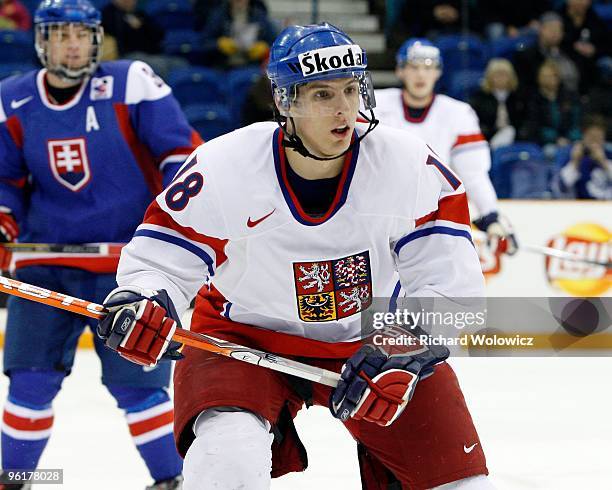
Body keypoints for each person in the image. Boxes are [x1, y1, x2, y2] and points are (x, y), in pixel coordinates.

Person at [96, 22, 495, 490]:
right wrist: (143, 298)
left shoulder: (410, 166)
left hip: (372, 343)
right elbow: (160, 260)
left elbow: (454, 292)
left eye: (351, 89)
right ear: (285, 102)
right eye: (323, 95)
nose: (344, 108)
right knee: (227, 463)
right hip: (243, 338)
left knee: (461, 485)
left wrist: (404, 343)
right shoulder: (224, 165)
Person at [0, 0, 204, 488]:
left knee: (138, 388)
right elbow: (5, 179)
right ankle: (13, 478)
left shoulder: (131, 82)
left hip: (132, 270)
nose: (73, 44)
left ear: (96, 38)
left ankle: (171, 480)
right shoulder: (12, 97)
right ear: (41, 41)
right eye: (61, 34)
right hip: (45, 265)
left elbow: (182, 154)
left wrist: (180, 222)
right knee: (29, 381)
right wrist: (3, 218)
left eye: (82, 34)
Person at [374, 38, 517, 257]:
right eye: (413, 67)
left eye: (428, 67)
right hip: (381, 215)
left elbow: (474, 174)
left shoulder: (458, 113)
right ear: (400, 71)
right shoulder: (375, 106)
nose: (421, 75)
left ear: (438, 72)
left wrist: (491, 216)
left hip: (431, 220)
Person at [512, 11, 580, 96]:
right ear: (540, 29)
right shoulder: (527, 56)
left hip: (575, 98)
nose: (555, 32)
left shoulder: (572, 52)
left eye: (558, 29)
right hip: (543, 102)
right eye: (550, 28)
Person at [519, 60, 581, 152]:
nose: (549, 79)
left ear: (558, 77)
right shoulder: (535, 99)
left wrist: (572, 138)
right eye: (545, 76)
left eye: (553, 75)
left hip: (570, 139)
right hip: (546, 142)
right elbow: (535, 125)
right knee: (551, 152)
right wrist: (556, 139)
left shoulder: (569, 96)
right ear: (539, 78)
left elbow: (576, 120)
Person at [200, 0, 277, 68]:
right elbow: (203, 43)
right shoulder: (218, 15)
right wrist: (218, 44)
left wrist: (265, 47)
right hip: (223, 67)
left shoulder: (259, 16)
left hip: (252, 67)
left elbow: (275, 43)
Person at [469, 58, 526, 149]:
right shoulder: (479, 98)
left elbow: (525, 121)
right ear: (490, 77)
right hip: (488, 137)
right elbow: (475, 121)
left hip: (515, 137)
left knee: (510, 131)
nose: (500, 79)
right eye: (497, 75)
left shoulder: (519, 97)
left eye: (504, 75)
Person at [555, 114, 612, 199]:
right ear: (584, 136)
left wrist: (603, 162)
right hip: (581, 206)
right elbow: (562, 186)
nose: (595, 142)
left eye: (598, 137)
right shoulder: (574, 156)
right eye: (592, 137)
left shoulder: (609, 155)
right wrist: (575, 162)